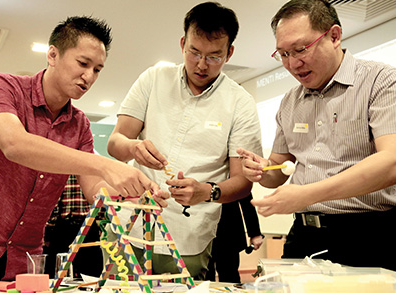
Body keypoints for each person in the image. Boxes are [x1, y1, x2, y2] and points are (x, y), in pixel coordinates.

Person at [0, 16, 168, 282]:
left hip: (24, 263)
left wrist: (134, 196)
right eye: (83, 63)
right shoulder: (2, 87)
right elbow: (14, 144)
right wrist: (107, 164)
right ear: (52, 54)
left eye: (97, 69)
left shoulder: (79, 124)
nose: (89, 76)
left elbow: (94, 190)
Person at [106, 2, 263, 280]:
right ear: (182, 44)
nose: (202, 65)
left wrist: (207, 191)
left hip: (190, 234)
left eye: (214, 56)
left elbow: (242, 182)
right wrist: (134, 148)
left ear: (230, 53)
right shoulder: (154, 79)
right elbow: (116, 142)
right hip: (129, 222)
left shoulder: (240, 103)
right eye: (194, 52)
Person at [238, 0, 396, 271]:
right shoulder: (290, 101)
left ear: (334, 36)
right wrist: (263, 170)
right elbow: (278, 171)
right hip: (304, 234)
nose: (292, 63)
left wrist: (306, 195)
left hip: (369, 233)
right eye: (283, 54)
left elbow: (391, 162)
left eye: (300, 50)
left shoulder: (380, 81)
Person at [43, 175, 105, 279]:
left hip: (65, 226)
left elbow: (52, 200)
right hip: (86, 224)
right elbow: (101, 197)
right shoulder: (93, 166)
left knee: (59, 272)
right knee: (90, 273)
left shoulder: (59, 168)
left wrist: (49, 227)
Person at [207, 194, 263, 283]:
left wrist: (254, 232)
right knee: (204, 277)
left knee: (229, 275)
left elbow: (245, 194)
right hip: (200, 228)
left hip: (228, 227)